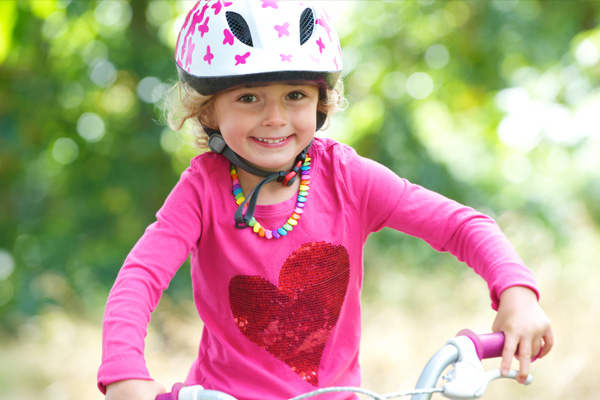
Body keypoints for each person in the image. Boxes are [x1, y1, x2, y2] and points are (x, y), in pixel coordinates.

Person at [98, 1, 553, 399]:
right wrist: (125, 374)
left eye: (295, 95)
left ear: (321, 101)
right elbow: (139, 279)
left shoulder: (347, 178)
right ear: (209, 110)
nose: (274, 118)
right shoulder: (202, 190)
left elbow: (462, 226)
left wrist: (516, 293)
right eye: (249, 97)